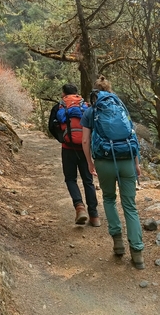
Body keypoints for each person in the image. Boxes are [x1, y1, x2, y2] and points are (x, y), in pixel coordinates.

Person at [81, 75, 145, 270]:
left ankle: (118, 243)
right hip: (126, 159)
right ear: (110, 91)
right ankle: (138, 254)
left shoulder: (91, 111)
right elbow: (131, 136)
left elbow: (85, 141)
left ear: (96, 93)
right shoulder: (121, 109)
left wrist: (90, 163)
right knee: (130, 206)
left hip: (104, 161)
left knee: (109, 199)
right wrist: (136, 163)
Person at [48, 83, 100, 226]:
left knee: (71, 179)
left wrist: (62, 138)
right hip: (85, 148)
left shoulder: (60, 106)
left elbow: (51, 126)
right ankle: (94, 216)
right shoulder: (86, 106)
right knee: (88, 181)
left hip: (68, 148)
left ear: (64, 93)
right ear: (77, 93)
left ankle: (79, 207)